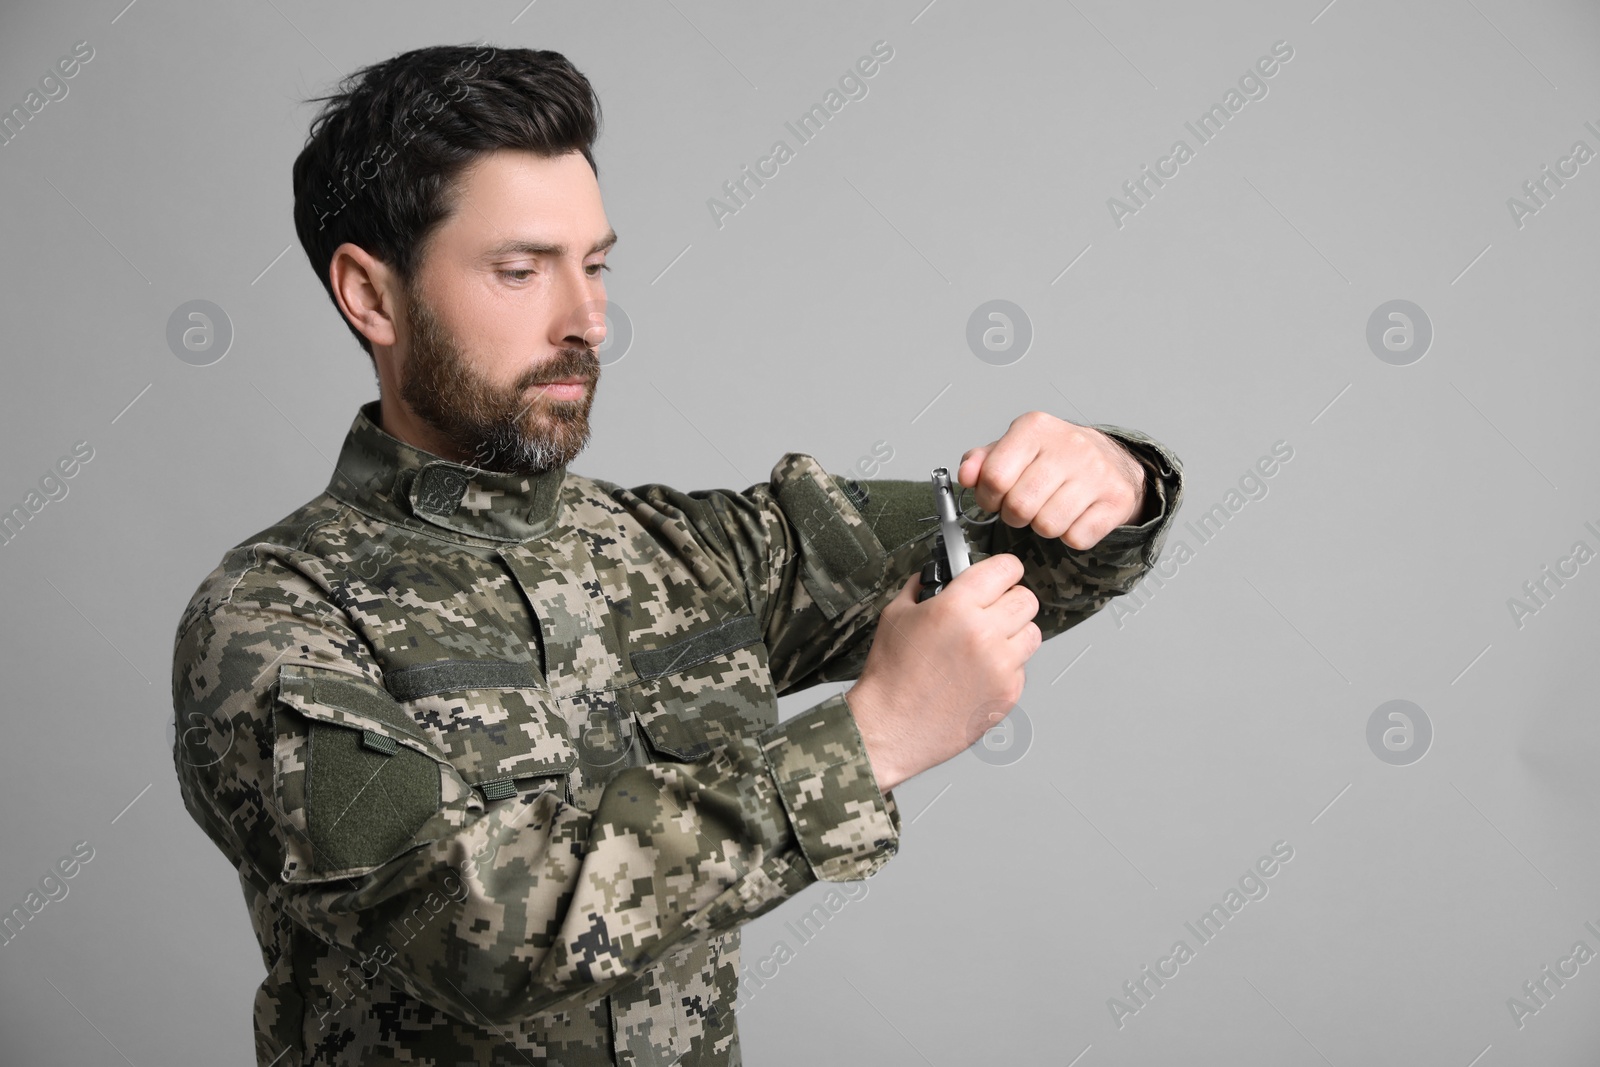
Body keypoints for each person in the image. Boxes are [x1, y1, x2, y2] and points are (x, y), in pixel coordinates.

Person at [169, 42, 1186, 1067]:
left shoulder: (689, 553)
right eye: (521, 271)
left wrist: (1111, 474)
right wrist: (869, 741)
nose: (588, 319)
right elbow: (465, 930)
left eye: (596, 264)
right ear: (372, 296)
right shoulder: (271, 619)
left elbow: (1011, 539)